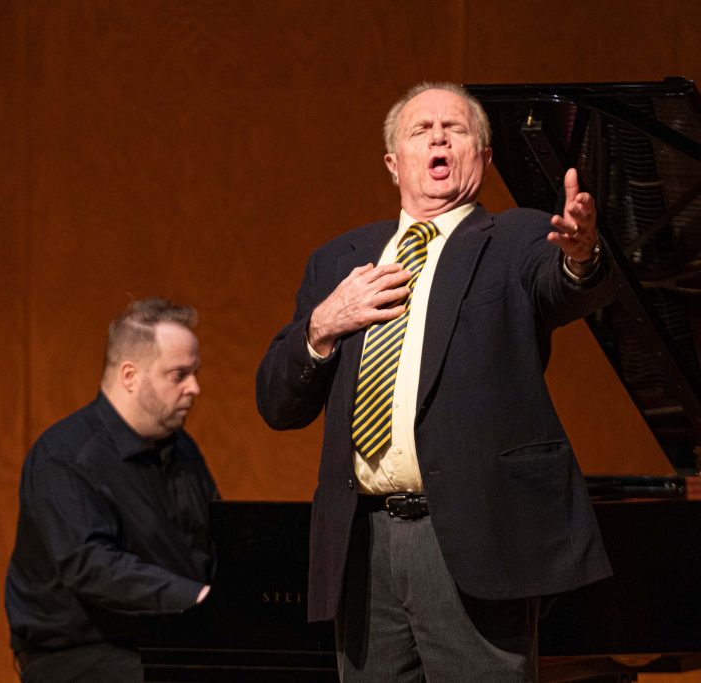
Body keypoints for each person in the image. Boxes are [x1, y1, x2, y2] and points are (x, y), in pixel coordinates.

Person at [256, 82, 619, 681]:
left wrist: (581, 255)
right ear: (394, 163)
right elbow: (276, 403)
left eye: (456, 129)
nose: (439, 139)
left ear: (484, 156)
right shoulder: (338, 260)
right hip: (363, 540)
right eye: (421, 131)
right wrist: (323, 324)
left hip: (471, 536)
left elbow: (565, 284)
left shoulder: (518, 238)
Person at [5, 298, 218, 683]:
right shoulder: (64, 455)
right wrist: (197, 598)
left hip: (165, 640)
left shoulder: (182, 449)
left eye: (195, 373)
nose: (195, 388)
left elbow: (214, 543)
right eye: (179, 374)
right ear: (130, 375)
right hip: (79, 653)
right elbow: (90, 565)